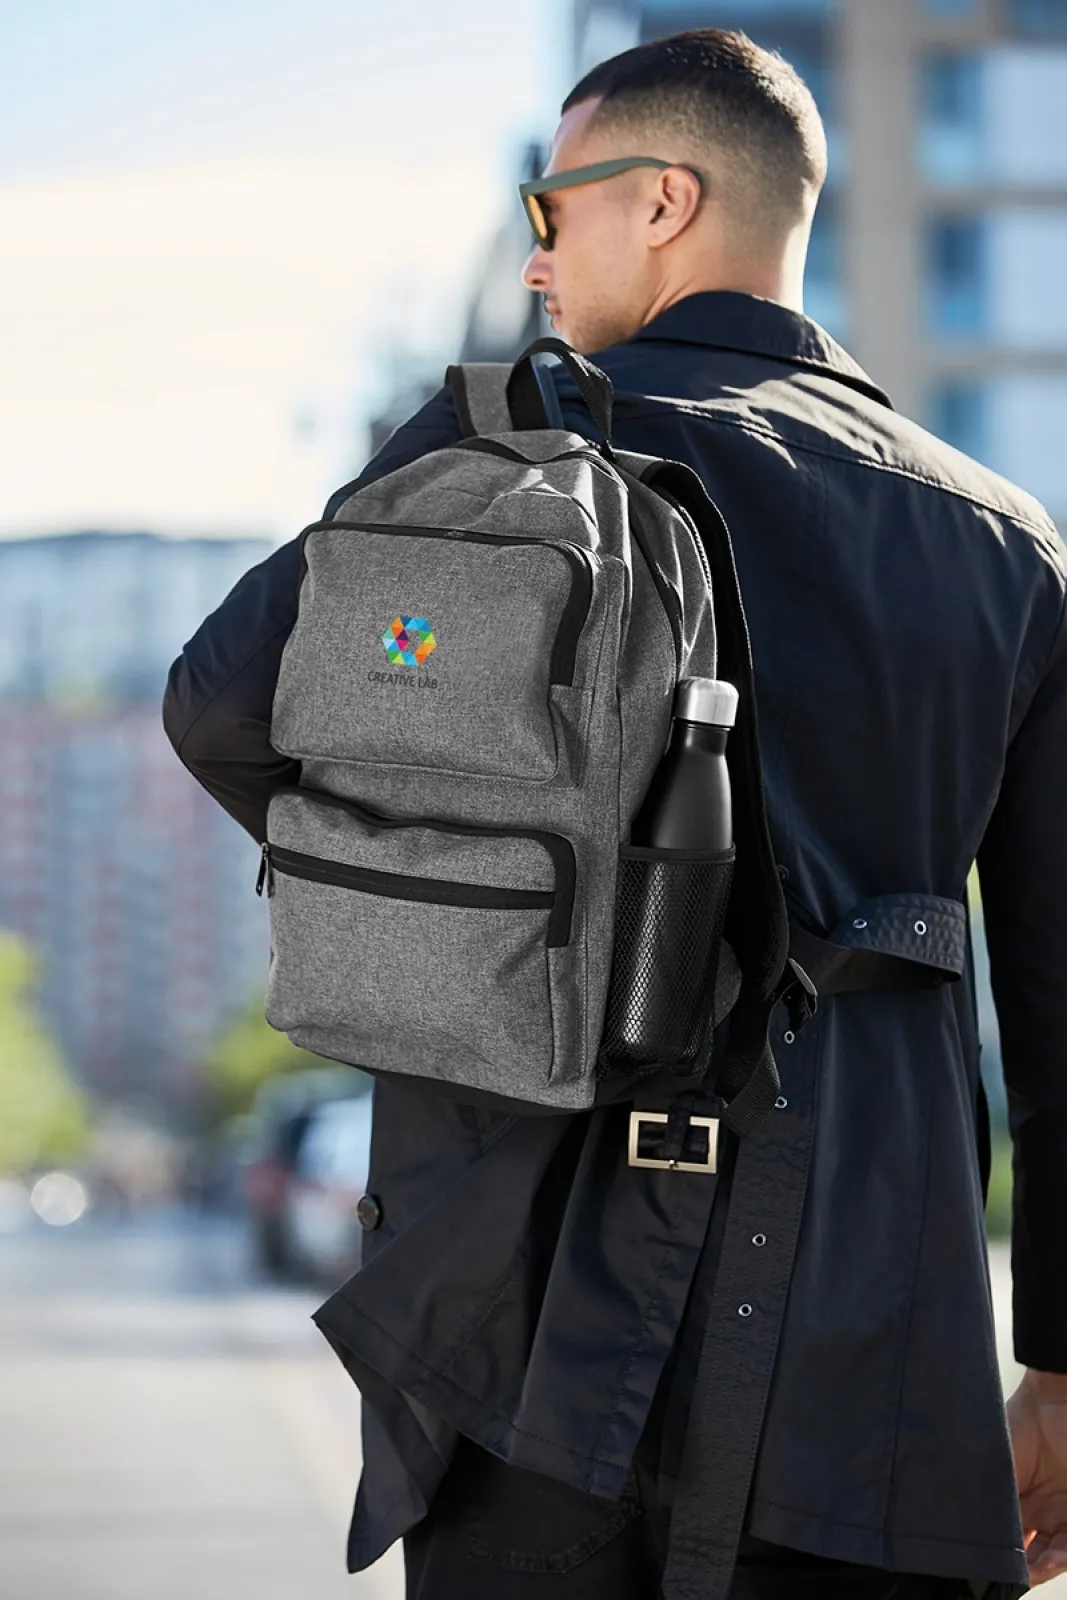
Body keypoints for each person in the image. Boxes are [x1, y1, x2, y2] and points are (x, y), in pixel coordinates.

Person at [161, 27, 1067, 1600]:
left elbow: (221, 706)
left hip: (529, 1308)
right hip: (872, 1337)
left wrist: (473, 902)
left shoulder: (508, 449)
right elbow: (1055, 1002)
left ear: (661, 200)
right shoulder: (1004, 540)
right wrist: (1056, 1367)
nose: (533, 258)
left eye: (550, 206)